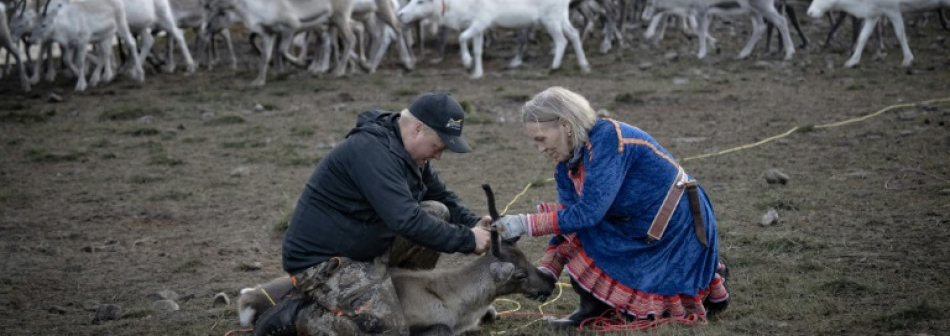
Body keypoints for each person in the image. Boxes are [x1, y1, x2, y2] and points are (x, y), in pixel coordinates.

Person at [494, 86, 729, 330]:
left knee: (641, 311)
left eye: (541, 139)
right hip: (637, 225)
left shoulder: (608, 139)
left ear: (564, 125)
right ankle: (593, 307)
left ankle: (700, 284)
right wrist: (547, 272)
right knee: (570, 221)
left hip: (677, 226)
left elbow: (589, 213)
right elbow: (567, 218)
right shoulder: (567, 165)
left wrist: (523, 223)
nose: (540, 149)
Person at [271, 92, 493, 336]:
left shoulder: (408, 153)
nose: (438, 156)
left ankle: (390, 296)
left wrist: (474, 222)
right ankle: (300, 317)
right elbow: (406, 220)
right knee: (389, 331)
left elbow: (442, 197)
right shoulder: (372, 152)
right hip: (325, 262)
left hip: (366, 248)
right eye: (437, 146)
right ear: (418, 129)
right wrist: (468, 239)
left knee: (437, 212)